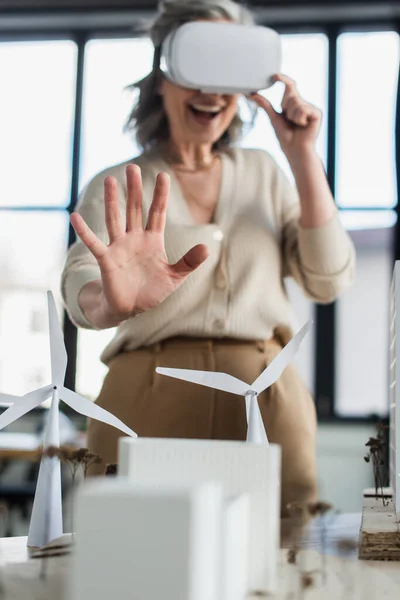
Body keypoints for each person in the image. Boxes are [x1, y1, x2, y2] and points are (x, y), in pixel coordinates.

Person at [61, 0, 355, 514]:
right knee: (133, 562)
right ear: (162, 76)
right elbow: (81, 290)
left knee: (280, 564)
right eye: (198, 65)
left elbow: (328, 280)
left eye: (228, 70)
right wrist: (112, 303)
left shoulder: (266, 173)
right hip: (145, 399)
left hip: (268, 399)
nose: (211, 91)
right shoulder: (121, 185)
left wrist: (303, 154)